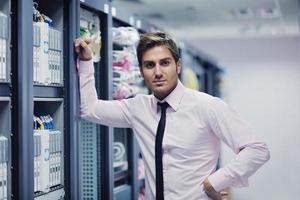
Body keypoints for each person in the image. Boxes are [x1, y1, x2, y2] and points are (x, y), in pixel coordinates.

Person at [74, 32, 270, 200]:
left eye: (165, 63)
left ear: (178, 65)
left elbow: (257, 149)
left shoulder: (208, 106)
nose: (158, 72)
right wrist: (86, 61)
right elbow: (89, 109)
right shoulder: (138, 108)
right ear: (141, 71)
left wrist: (217, 181)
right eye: (149, 65)